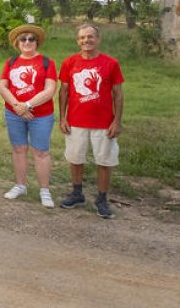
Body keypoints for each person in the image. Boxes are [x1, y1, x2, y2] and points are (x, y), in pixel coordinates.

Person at [57, 24, 124, 219]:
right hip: (76, 121)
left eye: (90, 37)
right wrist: (63, 117)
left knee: (104, 160)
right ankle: (77, 193)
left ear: (98, 39)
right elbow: (64, 92)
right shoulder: (69, 63)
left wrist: (117, 121)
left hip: (103, 122)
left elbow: (118, 95)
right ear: (78, 41)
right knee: (75, 158)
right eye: (82, 38)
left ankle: (102, 198)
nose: (86, 41)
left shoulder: (110, 63)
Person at [0, 24, 58, 208]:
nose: (27, 42)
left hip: (41, 115)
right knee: (19, 149)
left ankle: (44, 190)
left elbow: (50, 90)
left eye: (31, 39)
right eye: (23, 39)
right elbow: (2, 86)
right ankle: (20, 185)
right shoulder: (11, 62)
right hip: (14, 113)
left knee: (40, 151)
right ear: (17, 43)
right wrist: (17, 106)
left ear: (37, 42)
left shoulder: (47, 62)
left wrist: (27, 105)